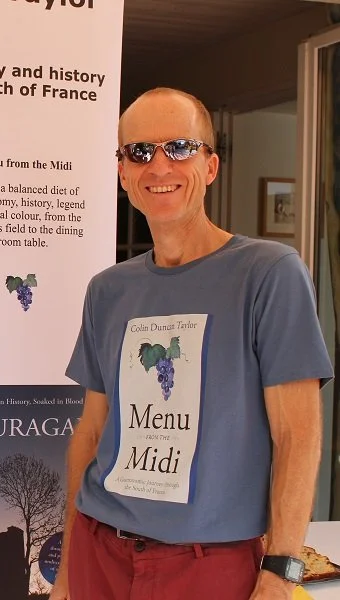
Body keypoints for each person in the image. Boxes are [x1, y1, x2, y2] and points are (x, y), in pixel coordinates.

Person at [52, 88, 333, 600]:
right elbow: (91, 435)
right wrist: (70, 569)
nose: (159, 166)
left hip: (210, 567)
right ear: (123, 174)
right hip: (100, 552)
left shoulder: (268, 274)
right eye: (139, 152)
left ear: (210, 166)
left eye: (179, 148)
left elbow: (297, 435)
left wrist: (282, 570)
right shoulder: (108, 291)